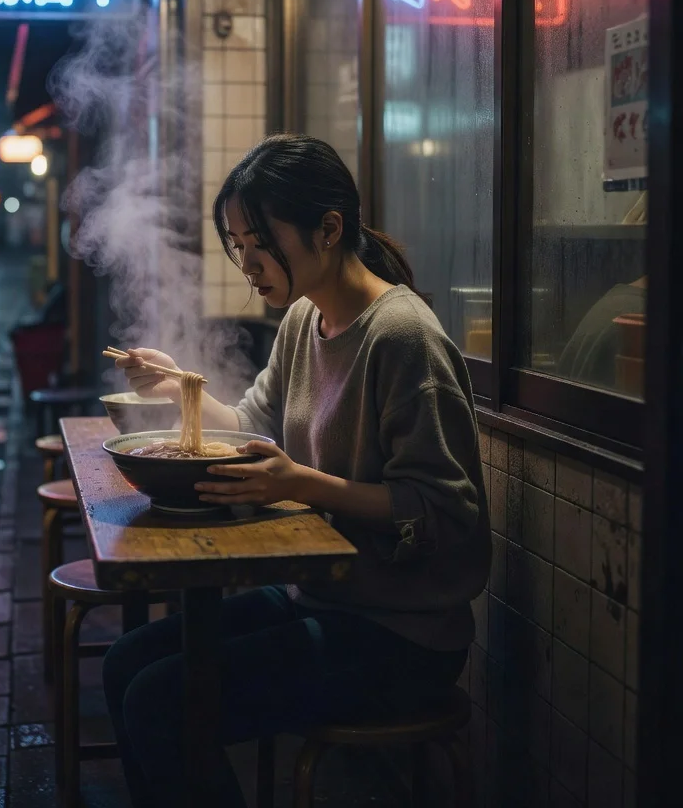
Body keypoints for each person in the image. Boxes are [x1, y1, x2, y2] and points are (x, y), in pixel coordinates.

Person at [104, 134, 490, 808]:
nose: (247, 264)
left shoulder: (402, 337)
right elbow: (252, 424)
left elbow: (442, 512)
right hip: (323, 597)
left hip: (402, 636)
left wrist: (301, 484)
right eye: (237, 244)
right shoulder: (304, 319)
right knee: (126, 663)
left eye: (260, 243)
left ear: (328, 229)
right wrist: (176, 386)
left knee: (159, 702)